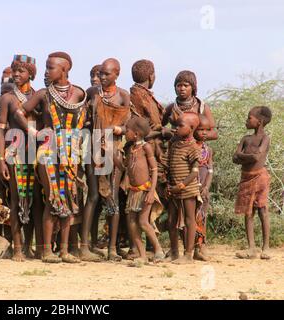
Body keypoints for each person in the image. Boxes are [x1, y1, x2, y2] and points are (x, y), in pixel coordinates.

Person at [15, 51, 86, 264]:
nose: (46, 72)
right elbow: (19, 112)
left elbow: (86, 119)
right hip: (48, 151)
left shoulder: (80, 94)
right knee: (53, 198)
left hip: (71, 153)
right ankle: (46, 251)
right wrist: (34, 132)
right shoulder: (43, 94)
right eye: (46, 67)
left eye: (50, 68)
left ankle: (64, 251)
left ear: (64, 70)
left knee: (68, 198)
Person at [0, 54, 42, 261]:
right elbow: (0, 130)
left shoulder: (39, 96)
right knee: (17, 199)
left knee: (36, 200)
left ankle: (30, 246)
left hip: (36, 152)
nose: (16, 74)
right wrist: (0, 159)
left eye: (21, 71)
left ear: (31, 74)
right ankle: (16, 247)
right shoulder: (7, 98)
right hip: (15, 151)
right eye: (14, 70)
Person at [86, 58, 131, 261]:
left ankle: (112, 248)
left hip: (113, 150)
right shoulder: (92, 94)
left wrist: (119, 129)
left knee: (112, 199)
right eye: (100, 74)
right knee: (93, 197)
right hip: (92, 148)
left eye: (106, 74)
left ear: (117, 74)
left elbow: (130, 125)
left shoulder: (123, 96)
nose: (101, 77)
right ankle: (86, 245)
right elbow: (84, 119)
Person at [123, 117, 165, 263]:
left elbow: (154, 170)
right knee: (132, 223)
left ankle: (158, 250)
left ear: (136, 134)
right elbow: (127, 168)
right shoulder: (131, 148)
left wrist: (152, 191)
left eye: (126, 130)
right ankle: (142, 255)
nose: (124, 132)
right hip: (134, 191)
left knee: (143, 222)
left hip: (146, 190)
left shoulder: (146, 147)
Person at [233, 106, 272, 260]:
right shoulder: (246, 138)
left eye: (249, 117)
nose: (247, 120)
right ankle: (251, 248)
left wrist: (242, 155)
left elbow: (256, 157)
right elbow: (234, 158)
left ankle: (266, 247)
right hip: (246, 177)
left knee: (262, 210)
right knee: (248, 213)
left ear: (259, 121)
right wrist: (247, 155)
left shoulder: (265, 138)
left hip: (260, 177)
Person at [166, 112, 201, 264]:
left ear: (192, 128)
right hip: (174, 188)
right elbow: (168, 163)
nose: (176, 128)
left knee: (189, 220)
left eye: (181, 126)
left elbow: (195, 172)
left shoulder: (193, 146)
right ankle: (174, 252)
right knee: (171, 220)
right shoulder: (174, 144)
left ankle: (188, 254)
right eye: (176, 125)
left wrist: (181, 185)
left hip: (187, 189)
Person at [193, 115, 214, 261]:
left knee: (202, 216)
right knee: (191, 217)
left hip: (204, 187)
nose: (204, 132)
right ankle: (192, 247)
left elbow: (210, 169)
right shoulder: (190, 147)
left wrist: (206, 186)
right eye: (201, 129)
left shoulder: (208, 149)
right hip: (192, 186)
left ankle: (201, 245)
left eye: (207, 130)